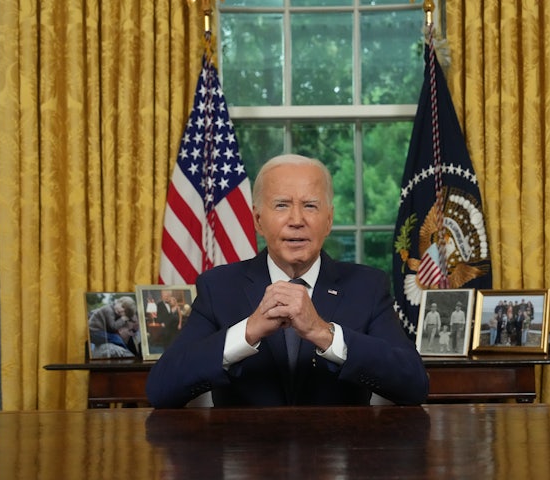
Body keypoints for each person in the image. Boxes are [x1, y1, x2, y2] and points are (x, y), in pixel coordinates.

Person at [146, 154, 429, 407]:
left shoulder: (367, 286)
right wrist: (248, 331)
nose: (296, 220)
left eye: (310, 206)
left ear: (328, 221)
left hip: (340, 456)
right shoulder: (218, 287)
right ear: (258, 220)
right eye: (281, 205)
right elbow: (161, 389)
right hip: (245, 458)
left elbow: (414, 386)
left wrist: (323, 333)